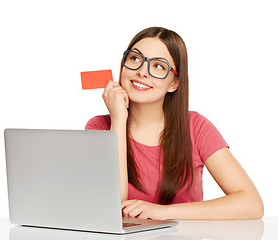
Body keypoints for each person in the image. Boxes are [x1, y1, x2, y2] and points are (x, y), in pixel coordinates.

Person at [85, 27, 264, 220]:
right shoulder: (99, 127)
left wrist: (162, 212)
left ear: (174, 83)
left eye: (158, 66)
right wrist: (119, 119)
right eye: (135, 59)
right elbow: (109, 208)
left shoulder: (196, 127)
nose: (142, 71)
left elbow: (252, 205)